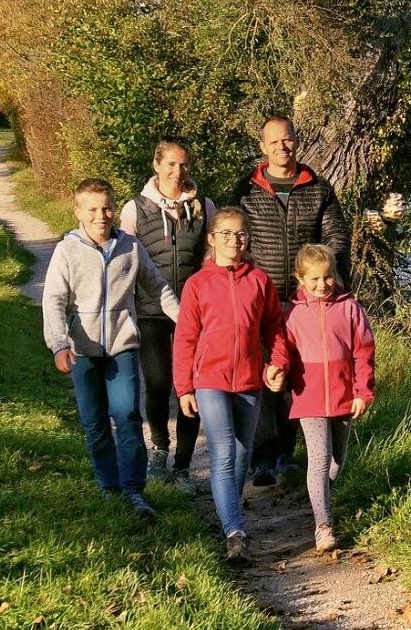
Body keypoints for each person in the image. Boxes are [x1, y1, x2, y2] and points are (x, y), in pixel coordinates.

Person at [41, 177, 179, 517]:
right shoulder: (67, 250)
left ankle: (134, 490)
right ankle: (108, 486)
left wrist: (185, 321)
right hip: (83, 350)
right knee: (95, 421)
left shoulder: (130, 247)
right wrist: (59, 344)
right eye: (92, 209)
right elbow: (54, 299)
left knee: (127, 415)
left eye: (106, 208)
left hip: (122, 346)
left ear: (115, 208)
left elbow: (158, 287)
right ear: (77, 211)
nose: (101, 216)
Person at [231, 115, 349, 488]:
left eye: (288, 139)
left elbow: (337, 238)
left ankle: (287, 454)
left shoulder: (318, 189)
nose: (282, 147)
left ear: (296, 141)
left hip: (304, 303)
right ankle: (262, 459)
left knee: (298, 377)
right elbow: (232, 238)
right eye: (274, 141)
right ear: (263, 147)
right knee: (265, 376)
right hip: (260, 299)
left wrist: (328, 284)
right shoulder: (246, 190)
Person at [174, 207, 288, 562]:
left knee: (241, 453)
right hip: (210, 378)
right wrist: (184, 388)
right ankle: (235, 532)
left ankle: (229, 513)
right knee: (223, 452)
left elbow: (274, 328)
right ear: (211, 238)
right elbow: (185, 338)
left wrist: (277, 363)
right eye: (226, 233)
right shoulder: (197, 284)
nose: (234, 240)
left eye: (240, 234)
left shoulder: (259, 281)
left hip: (249, 380)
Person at [118, 138, 214, 486]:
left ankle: (183, 465)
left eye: (184, 164)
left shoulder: (204, 206)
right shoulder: (135, 209)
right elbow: (124, 262)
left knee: (192, 385)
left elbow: (211, 256)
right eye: (171, 164)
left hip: (195, 311)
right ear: (156, 165)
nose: (178, 171)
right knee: (158, 383)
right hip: (151, 310)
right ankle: (159, 449)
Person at [281, 244, 375, 552]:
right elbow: (283, 351)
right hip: (308, 396)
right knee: (319, 459)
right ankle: (323, 524)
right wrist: (278, 371)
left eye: (328, 277)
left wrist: (362, 392)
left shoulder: (350, 309)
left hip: (344, 394)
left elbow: (364, 352)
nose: (322, 284)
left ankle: (319, 498)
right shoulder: (292, 314)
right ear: (300, 279)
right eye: (314, 279)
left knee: (337, 461)